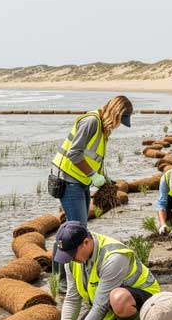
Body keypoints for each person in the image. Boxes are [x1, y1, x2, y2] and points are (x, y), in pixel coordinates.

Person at [41, 223, 160, 320]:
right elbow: (72, 299)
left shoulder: (114, 257)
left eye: (72, 254)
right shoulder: (72, 259)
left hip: (146, 304)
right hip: (108, 308)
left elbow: (100, 306)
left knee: (119, 298)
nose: (70, 258)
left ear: (86, 242)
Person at [48, 95, 132, 226]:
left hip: (82, 179)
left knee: (79, 227)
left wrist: (103, 177)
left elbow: (93, 157)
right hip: (68, 181)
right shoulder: (91, 122)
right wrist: (93, 175)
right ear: (115, 113)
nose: (118, 125)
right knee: (78, 228)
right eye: (119, 120)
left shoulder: (102, 127)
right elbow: (74, 153)